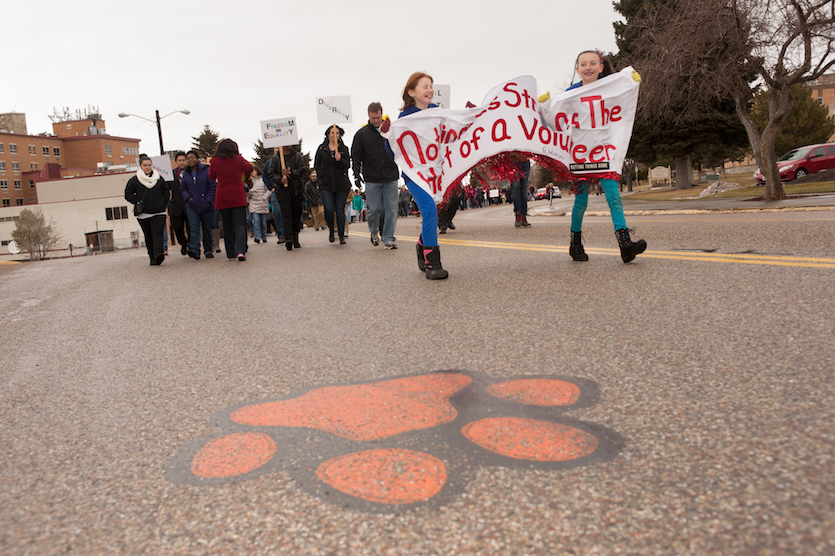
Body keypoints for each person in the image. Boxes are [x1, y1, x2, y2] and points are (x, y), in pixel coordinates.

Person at [555, 50, 647, 263]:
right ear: (577, 70)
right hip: (579, 155)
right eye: (584, 64)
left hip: (604, 152)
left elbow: (624, 102)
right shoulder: (570, 94)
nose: (588, 67)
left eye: (593, 63)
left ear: (601, 66)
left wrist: (631, 84)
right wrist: (546, 104)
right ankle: (575, 244)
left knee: (614, 198)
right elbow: (556, 115)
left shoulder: (611, 87)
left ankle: (625, 245)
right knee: (581, 202)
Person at [383, 71, 448, 279]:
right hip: (414, 174)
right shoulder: (404, 118)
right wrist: (387, 137)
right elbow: (394, 151)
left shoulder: (437, 112)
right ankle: (432, 261)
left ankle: (422, 244)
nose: (430, 90)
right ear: (412, 92)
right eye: (424, 86)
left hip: (435, 172)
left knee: (434, 211)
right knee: (429, 211)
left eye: (431, 86)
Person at [351, 102, 401, 249]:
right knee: (374, 210)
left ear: (382, 114)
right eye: (373, 118)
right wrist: (356, 174)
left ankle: (388, 238)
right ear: (368, 116)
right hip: (372, 178)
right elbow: (355, 155)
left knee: (391, 209)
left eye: (378, 117)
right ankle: (373, 231)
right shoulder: (362, 134)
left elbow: (400, 148)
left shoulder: (390, 131)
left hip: (390, 176)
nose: (376, 121)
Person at [209, 138, 252, 261]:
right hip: (237, 194)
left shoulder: (215, 161)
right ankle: (240, 251)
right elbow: (249, 168)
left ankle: (231, 253)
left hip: (222, 195)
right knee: (239, 224)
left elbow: (211, 176)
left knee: (227, 226)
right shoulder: (238, 159)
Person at [125, 154, 170, 266]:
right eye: (144, 165)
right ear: (140, 166)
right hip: (143, 214)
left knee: (157, 233)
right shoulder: (135, 180)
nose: (147, 167)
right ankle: (152, 256)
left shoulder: (159, 178)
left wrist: (162, 202)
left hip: (159, 212)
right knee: (149, 235)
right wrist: (138, 201)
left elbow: (166, 191)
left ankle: (159, 253)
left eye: (149, 165)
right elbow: (128, 194)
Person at [314, 125, 351, 245]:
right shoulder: (322, 149)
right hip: (326, 184)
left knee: (340, 209)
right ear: (328, 134)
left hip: (341, 183)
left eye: (337, 133)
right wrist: (321, 177)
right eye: (332, 132)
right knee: (329, 209)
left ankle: (341, 234)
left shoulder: (344, 148)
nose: (334, 135)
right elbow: (317, 165)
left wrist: (340, 160)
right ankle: (331, 229)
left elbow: (347, 165)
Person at [267, 145, 306, 251]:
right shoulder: (276, 158)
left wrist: (290, 173)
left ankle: (295, 237)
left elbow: (302, 170)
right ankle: (288, 238)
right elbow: (271, 173)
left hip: (296, 189)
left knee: (296, 214)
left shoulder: (296, 156)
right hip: (282, 191)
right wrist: (280, 180)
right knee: (286, 214)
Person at [180, 149, 217, 259]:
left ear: (197, 159)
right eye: (188, 158)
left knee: (207, 229)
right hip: (192, 205)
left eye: (192, 157)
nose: (190, 160)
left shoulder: (206, 170)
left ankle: (208, 250)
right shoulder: (185, 173)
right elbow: (183, 189)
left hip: (207, 205)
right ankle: (194, 249)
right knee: (194, 228)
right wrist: (189, 199)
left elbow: (212, 186)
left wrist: (209, 200)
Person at [169, 151, 190, 255]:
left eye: (183, 160)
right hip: (176, 205)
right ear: (176, 161)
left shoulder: (191, 172)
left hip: (189, 204)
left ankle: (192, 246)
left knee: (191, 227)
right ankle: (183, 243)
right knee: (177, 228)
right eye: (179, 160)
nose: (182, 162)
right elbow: (165, 188)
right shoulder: (170, 174)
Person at [263, 150, 285, 244]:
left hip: (288, 189)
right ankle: (281, 234)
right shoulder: (269, 163)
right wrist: (271, 187)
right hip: (276, 190)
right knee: (278, 212)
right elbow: (265, 176)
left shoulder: (289, 160)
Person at [247, 167, 270, 244]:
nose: (253, 172)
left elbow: (269, 190)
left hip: (262, 203)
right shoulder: (249, 181)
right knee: (256, 221)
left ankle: (264, 237)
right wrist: (248, 194)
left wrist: (264, 197)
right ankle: (257, 237)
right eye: (251, 171)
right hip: (253, 203)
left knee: (263, 222)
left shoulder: (263, 179)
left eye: (254, 170)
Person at [510, 156, 532, 228]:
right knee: (516, 186)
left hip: (524, 159)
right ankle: (518, 213)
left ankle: (524, 215)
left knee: (524, 188)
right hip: (512, 159)